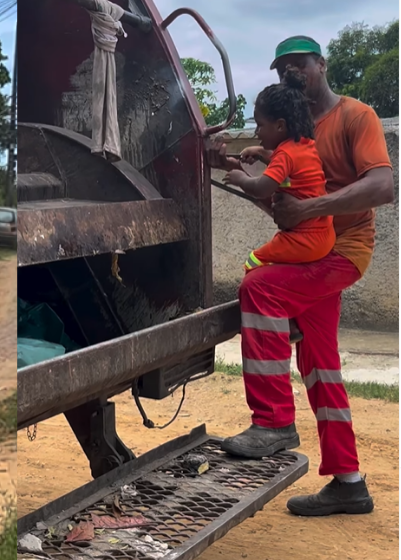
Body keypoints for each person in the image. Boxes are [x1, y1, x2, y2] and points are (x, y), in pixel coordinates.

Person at [208, 36, 394, 516]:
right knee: (319, 363)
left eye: (298, 64)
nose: (290, 72)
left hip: (342, 251)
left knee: (259, 286)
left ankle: (272, 422)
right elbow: (274, 191)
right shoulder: (291, 138)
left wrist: (309, 207)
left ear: (321, 64)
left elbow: (382, 186)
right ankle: (349, 483)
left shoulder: (356, 117)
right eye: (281, 68)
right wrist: (228, 162)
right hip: (310, 255)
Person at [224, 68, 334, 272]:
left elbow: (262, 188)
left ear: (280, 126)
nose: (256, 132)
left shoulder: (285, 155)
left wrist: (240, 178)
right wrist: (259, 151)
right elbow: (286, 165)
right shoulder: (304, 145)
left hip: (304, 239)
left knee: (253, 262)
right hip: (324, 233)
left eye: (259, 125)